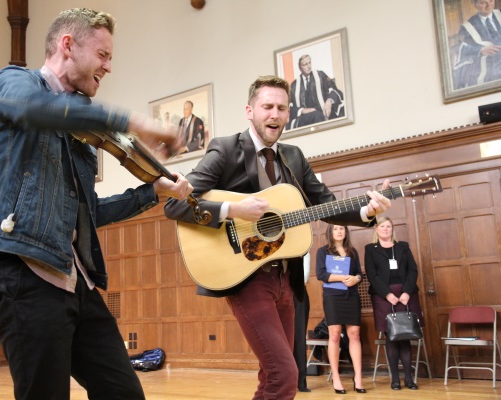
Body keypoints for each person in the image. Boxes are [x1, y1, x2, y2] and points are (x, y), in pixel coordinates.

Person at [0, 8, 192, 400]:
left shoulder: (84, 130)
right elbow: (39, 110)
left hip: (77, 278)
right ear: (67, 45)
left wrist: (154, 192)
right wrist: (134, 122)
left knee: (124, 393)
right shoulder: (13, 82)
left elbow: (90, 212)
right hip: (24, 269)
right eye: (103, 55)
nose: (109, 66)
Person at [164, 75, 392, 400]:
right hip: (246, 276)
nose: (274, 114)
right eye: (267, 106)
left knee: (276, 374)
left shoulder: (294, 157)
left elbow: (325, 204)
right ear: (250, 110)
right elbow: (176, 205)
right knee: (284, 374)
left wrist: (367, 212)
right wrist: (233, 210)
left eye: (282, 108)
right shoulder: (226, 150)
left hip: (287, 279)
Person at [364, 216, 423, 391]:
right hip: (383, 296)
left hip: (406, 294)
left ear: (392, 229)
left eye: (388, 226)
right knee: (391, 336)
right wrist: (387, 294)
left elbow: (413, 270)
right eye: (382, 226)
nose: (385, 229)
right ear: (376, 229)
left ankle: (409, 379)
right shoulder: (370, 249)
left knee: (405, 336)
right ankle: (395, 380)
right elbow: (372, 274)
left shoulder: (403, 246)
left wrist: (407, 292)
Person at [315, 224, 366, 394]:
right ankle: (336, 377)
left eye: (342, 229)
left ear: (346, 232)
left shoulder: (352, 252)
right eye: (336, 229)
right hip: (332, 296)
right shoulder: (323, 251)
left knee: (354, 334)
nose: (339, 231)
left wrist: (356, 279)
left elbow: (359, 274)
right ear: (330, 232)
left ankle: (358, 377)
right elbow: (321, 274)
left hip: (351, 295)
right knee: (335, 334)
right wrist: (343, 277)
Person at [286, 55, 345, 130]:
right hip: (306, 118)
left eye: (309, 63)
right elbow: (289, 106)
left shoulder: (320, 75)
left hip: (324, 112)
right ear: (300, 67)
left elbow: (333, 88)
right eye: (305, 64)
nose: (309, 66)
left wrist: (329, 101)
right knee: (315, 116)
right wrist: (302, 110)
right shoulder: (294, 85)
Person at [453, 0, 501, 89]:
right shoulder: (467, 27)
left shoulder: (499, 13)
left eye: (491, 1)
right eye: (483, 3)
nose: (488, 5)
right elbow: (460, 48)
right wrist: (480, 50)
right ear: (475, 4)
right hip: (489, 62)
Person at [292, 253, 311, 392]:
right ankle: (285, 379)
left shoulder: (304, 251)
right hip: (278, 293)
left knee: (299, 337)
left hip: (298, 294)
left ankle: (301, 380)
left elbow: (304, 278)